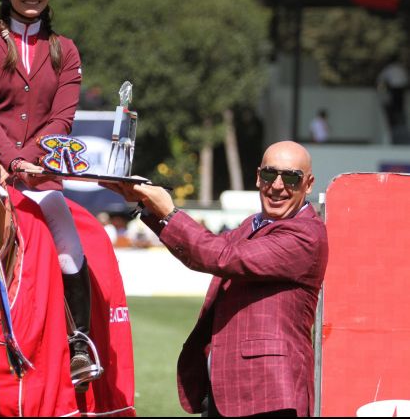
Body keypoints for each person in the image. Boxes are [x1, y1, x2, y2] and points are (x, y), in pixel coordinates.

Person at [0, 0, 100, 391]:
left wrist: (29, 162)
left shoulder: (66, 51)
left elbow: (62, 119)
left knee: (69, 249)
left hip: (42, 176)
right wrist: (10, 160)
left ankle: (79, 343)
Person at [101, 141, 329, 416]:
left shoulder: (306, 234)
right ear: (258, 177)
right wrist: (147, 203)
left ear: (308, 184)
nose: (278, 186)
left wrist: (169, 212)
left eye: (291, 178)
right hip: (231, 390)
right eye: (270, 174)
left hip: (271, 393)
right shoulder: (254, 223)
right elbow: (204, 250)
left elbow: (221, 256)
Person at [376, 55, 409, 142]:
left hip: (394, 89)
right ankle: (398, 117)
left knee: (395, 106)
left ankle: (396, 118)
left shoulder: (389, 68)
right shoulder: (400, 68)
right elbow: (405, 79)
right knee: (398, 106)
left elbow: (380, 79)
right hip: (400, 89)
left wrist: (380, 88)